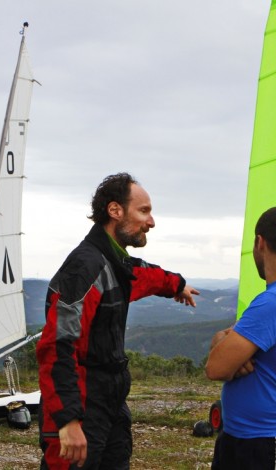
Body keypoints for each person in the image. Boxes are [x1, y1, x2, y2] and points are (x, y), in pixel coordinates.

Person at [36, 173, 199, 469]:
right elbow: (57, 347)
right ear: (115, 211)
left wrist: (178, 285)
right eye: (144, 211)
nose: (151, 222)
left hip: (110, 402)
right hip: (83, 404)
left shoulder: (115, 263)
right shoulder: (85, 267)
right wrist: (68, 420)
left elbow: (145, 276)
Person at [204, 206, 276, 470]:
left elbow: (215, 367)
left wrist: (225, 346)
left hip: (263, 445)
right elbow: (226, 348)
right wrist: (226, 343)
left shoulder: (275, 301)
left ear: (260, 243)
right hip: (257, 439)